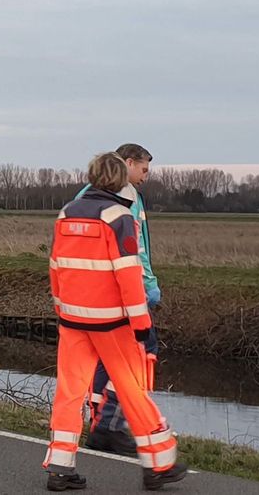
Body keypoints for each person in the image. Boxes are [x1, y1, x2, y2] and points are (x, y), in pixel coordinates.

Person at [43, 153, 185, 492]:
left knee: (69, 392)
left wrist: (62, 308)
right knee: (132, 389)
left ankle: (60, 467)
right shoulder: (120, 217)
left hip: (73, 319)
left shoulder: (67, 212)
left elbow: (56, 266)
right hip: (112, 322)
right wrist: (141, 323)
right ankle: (159, 463)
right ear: (120, 179)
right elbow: (128, 275)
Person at [80, 144, 161, 455]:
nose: (145, 177)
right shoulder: (122, 199)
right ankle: (111, 423)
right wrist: (146, 287)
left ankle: (100, 421)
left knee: (103, 360)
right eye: (143, 169)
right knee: (141, 352)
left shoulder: (89, 196)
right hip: (120, 294)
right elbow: (132, 250)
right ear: (127, 164)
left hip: (98, 295)